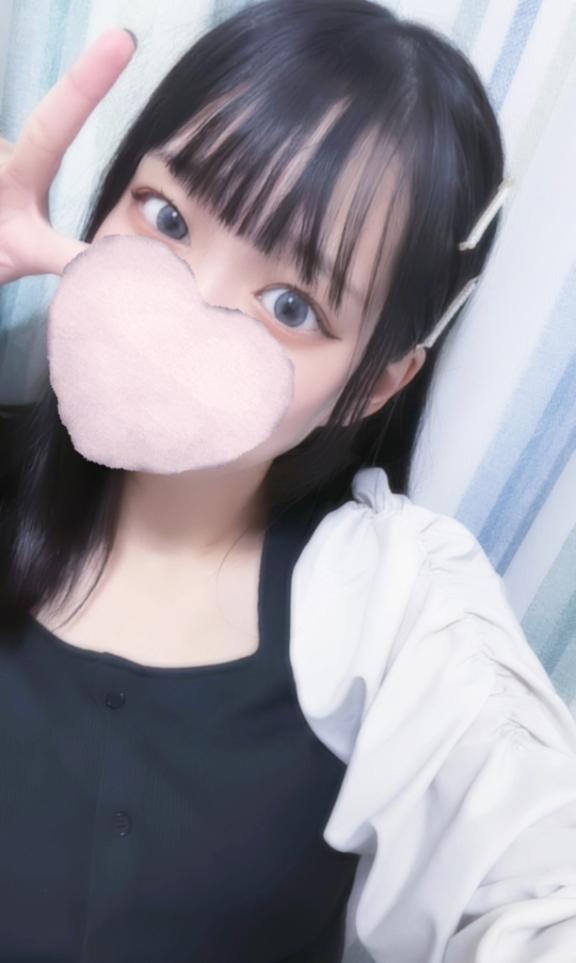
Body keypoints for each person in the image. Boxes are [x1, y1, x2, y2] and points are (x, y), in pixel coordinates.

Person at [0, 2, 575, 961]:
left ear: (376, 384)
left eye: (291, 305)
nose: (186, 310)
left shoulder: (392, 607)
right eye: (166, 217)